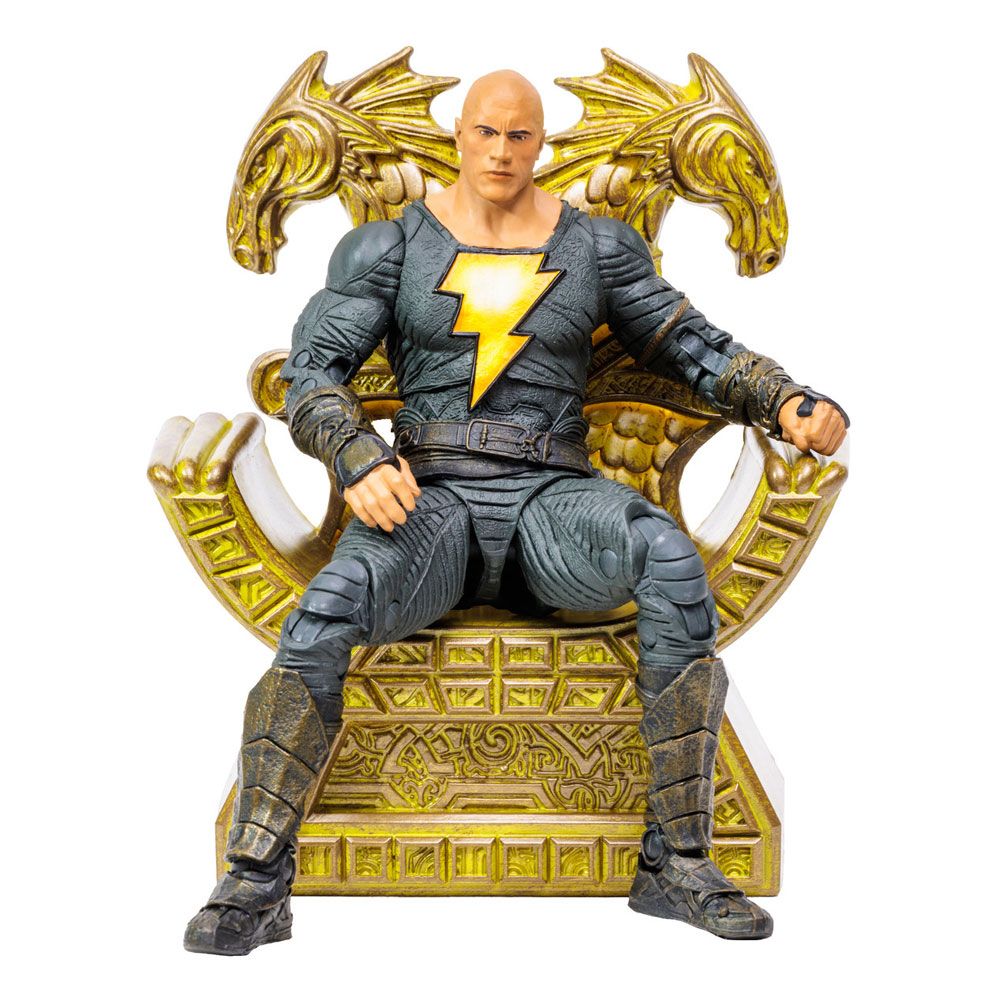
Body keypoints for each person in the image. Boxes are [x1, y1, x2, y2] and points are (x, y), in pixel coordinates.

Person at [184, 69, 847, 955]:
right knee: (326, 609)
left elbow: (691, 345)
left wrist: (783, 397)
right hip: (430, 502)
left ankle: (679, 861)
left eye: (520, 135)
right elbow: (312, 372)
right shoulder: (389, 248)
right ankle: (256, 878)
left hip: (551, 503)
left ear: (542, 145)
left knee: (667, 557)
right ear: (459, 136)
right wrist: (355, 455)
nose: (501, 152)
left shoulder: (599, 248)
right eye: (487, 133)